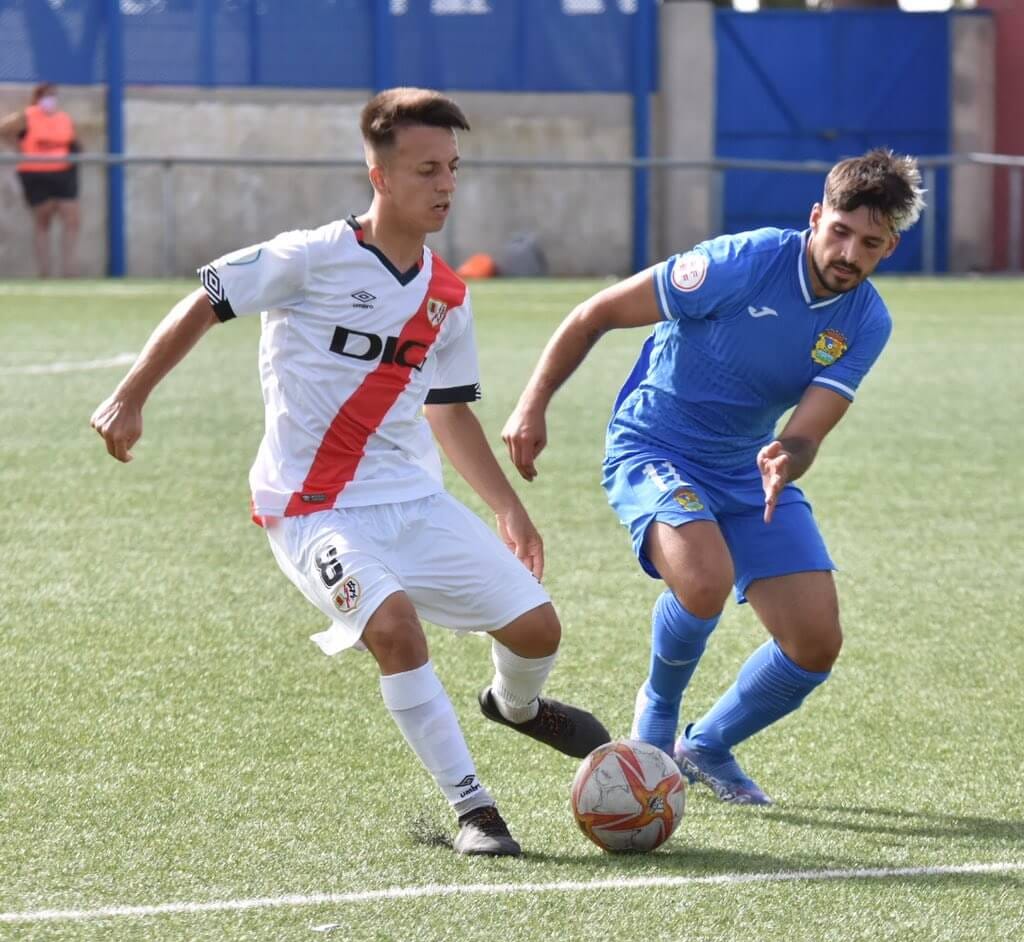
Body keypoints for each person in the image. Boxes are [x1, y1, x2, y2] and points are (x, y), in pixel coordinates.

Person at [90, 87, 610, 857]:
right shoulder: (308, 257)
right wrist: (129, 396)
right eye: (428, 168)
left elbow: (448, 409)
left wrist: (507, 509)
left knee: (538, 627)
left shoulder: (446, 293)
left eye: (453, 168)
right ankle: (475, 811)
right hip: (312, 508)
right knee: (394, 629)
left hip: (412, 500)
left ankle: (519, 708)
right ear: (380, 175)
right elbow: (207, 296)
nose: (445, 185)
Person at [502, 148, 924, 805]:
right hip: (653, 445)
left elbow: (808, 430)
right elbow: (596, 315)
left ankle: (707, 746)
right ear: (817, 216)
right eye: (839, 231)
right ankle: (657, 722)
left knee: (816, 643)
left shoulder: (866, 320)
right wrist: (533, 404)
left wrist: (788, 455)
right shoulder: (742, 262)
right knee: (703, 581)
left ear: (888, 248)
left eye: (869, 243)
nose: (848, 252)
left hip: (745, 466)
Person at [0, 82, 81, 277]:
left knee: (72, 220)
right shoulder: (27, 116)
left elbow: (72, 142)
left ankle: (70, 272)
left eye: (53, 95)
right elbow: (3, 128)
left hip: (63, 174)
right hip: (36, 174)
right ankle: (44, 272)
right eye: (46, 95)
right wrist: (17, 146)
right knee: (43, 221)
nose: (50, 99)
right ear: (38, 97)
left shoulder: (63, 119)